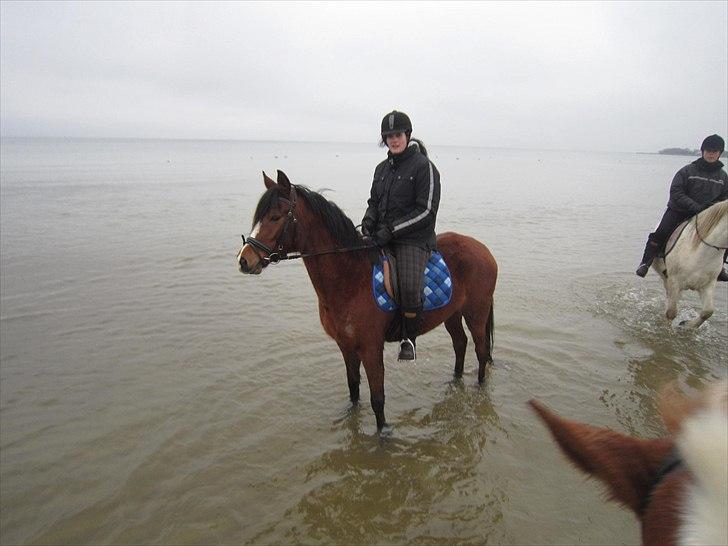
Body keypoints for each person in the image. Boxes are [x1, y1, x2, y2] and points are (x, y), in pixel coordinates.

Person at [361, 110, 441, 361]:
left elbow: (426, 212)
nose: (394, 140)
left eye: (398, 135)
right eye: (388, 136)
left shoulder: (424, 167)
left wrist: (391, 230)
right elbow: (374, 201)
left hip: (414, 240)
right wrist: (368, 220)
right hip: (382, 234)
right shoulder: (381, 169)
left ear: (407, 135)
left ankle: (408, 338)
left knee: (407, 283)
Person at [636, 134, 728, 280]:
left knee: (723, 236)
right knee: (661, 232)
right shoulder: (687, 171)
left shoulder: (723, 177)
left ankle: (719, 267)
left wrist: (711, 209)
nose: (711, 154)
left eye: (715, 151)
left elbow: (724, 199)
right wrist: (695, 207)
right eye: (708, 150)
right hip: (680, 210)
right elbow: (676, 192)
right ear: (702, 151)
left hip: (708, 215)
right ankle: (645, 262)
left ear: (720, 153)